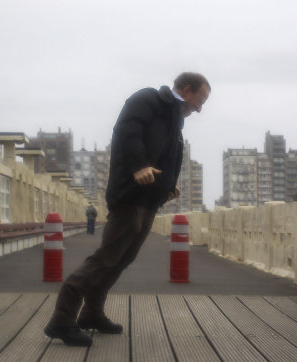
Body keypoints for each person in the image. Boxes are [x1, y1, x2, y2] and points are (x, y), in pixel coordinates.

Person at [44, 72, 211, 346]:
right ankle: (62, 319)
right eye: (200, 100)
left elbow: (164, 156)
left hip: (149, 200)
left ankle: (92, 313)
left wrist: (168, 186)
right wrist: (138, 166)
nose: (200, 108)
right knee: (105, 257)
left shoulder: (173, 119)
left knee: (122, 259)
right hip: (130, 195)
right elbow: (127, 132)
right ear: (187, 89)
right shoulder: (149, 100)